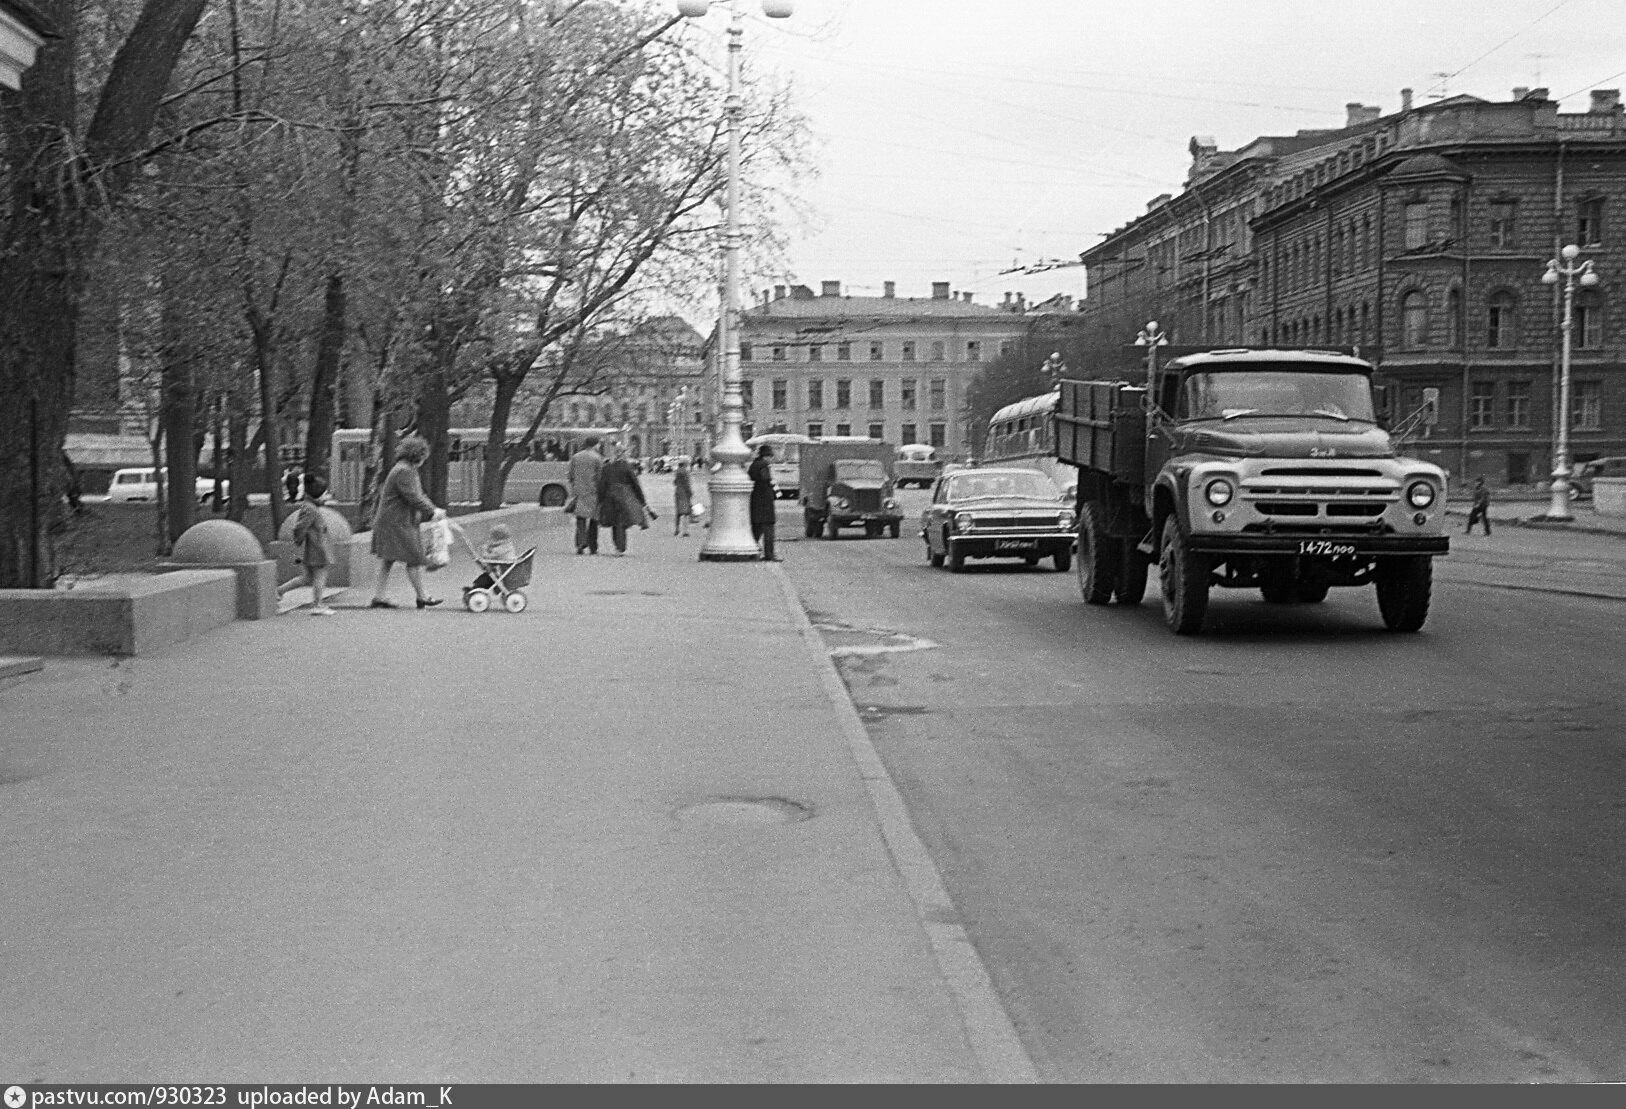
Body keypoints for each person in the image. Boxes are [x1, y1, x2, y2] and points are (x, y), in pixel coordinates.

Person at [368, 435, 446, 609]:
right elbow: (414, 497)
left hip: (393, 521)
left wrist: (433, 509)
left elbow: (419, 495)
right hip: (397, 522)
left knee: (388, 559)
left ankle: (379, 596)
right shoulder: (406, 471)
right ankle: (422, 596)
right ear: (417, 456)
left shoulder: (403, 468)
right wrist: (433, 511)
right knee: (414, 558)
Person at [277, 473, 338, 615]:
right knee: (320, 577)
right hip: (317, 549)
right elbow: (300, 527)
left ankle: (279, 591)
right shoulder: (311, 509)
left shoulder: (310, 507)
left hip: (315, 548)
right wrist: (299, 540)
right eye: (324, 494)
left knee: (307, 578)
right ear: (317, 494)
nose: (326, 497)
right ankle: (317, 605)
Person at [596, 443, 652, 556]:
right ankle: (620, 548)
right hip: (624, 496)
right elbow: (636, 484)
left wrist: (600, 500)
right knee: (621, 521)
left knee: (614, 522)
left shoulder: (607, 467)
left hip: (610, 497)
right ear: (623, 454)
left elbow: (602, 485)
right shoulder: (626, 467)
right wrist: (642, 500)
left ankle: (617, 546)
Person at [568, 436, 605, 555]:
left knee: (580, 519)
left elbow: (570, 475)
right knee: (594, 519)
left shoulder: (576, 457)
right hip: (593, 492)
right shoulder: (597, 458)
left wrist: (575, 486)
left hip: (579, 492)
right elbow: (600, 476)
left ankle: (580, 544)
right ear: (595, 445)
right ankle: (593, 547)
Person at [748, 443, 778, 561]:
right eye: (770, 457)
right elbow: (766, 480)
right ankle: (769, 554)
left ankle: (751, 552)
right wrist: (774, 490)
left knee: (756, 530)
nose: (771, 459)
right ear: (766, 456)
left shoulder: (753, 465)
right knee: (768, 531)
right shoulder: (764, 465)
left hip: (755, 501)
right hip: (765, 503)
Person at [470, 523, 518, 590]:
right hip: (503, 569)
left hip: (504, 572)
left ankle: (477, 588)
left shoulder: (501, 549)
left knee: (487, 578)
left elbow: (488, 557)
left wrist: (484, 550)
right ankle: (477, 587)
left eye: (492, 538)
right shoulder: (506, 545)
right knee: (487, 576)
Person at [672, 458, 696, 537]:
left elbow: (675, 482)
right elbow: (687, 484)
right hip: (685, 493)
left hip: (678, 492)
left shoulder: (677, 472)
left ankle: (677, 528)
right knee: (686, 513)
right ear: (685, 464)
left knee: (678, 512)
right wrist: (690, 493)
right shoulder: (685, 472)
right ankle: (685, 531)